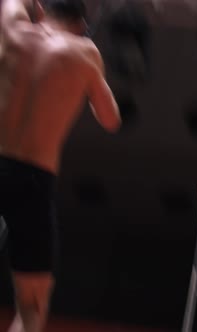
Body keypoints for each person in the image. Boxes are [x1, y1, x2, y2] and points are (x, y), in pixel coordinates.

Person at [0, 0, 121, 331]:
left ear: (41, 8)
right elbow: (111, 120)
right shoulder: (84, 53)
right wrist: (89, 81)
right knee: (31, 305)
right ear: (81, 24)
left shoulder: (11, 27)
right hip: (33, 180)